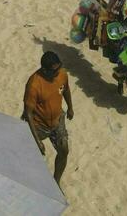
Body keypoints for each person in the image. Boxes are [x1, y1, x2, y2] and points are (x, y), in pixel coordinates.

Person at [23, 51, 74, 185]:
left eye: (59, 68)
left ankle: (55, 183)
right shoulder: (34, 84)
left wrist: (70, 107)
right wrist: (38, 141)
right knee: (29, 156)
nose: (58, 72)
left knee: (64, 151)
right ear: (44, 70)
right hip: (38, 124)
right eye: (54, 70)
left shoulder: (62, 74)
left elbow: (66, 89)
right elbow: (28, 113)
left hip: (57, 120)